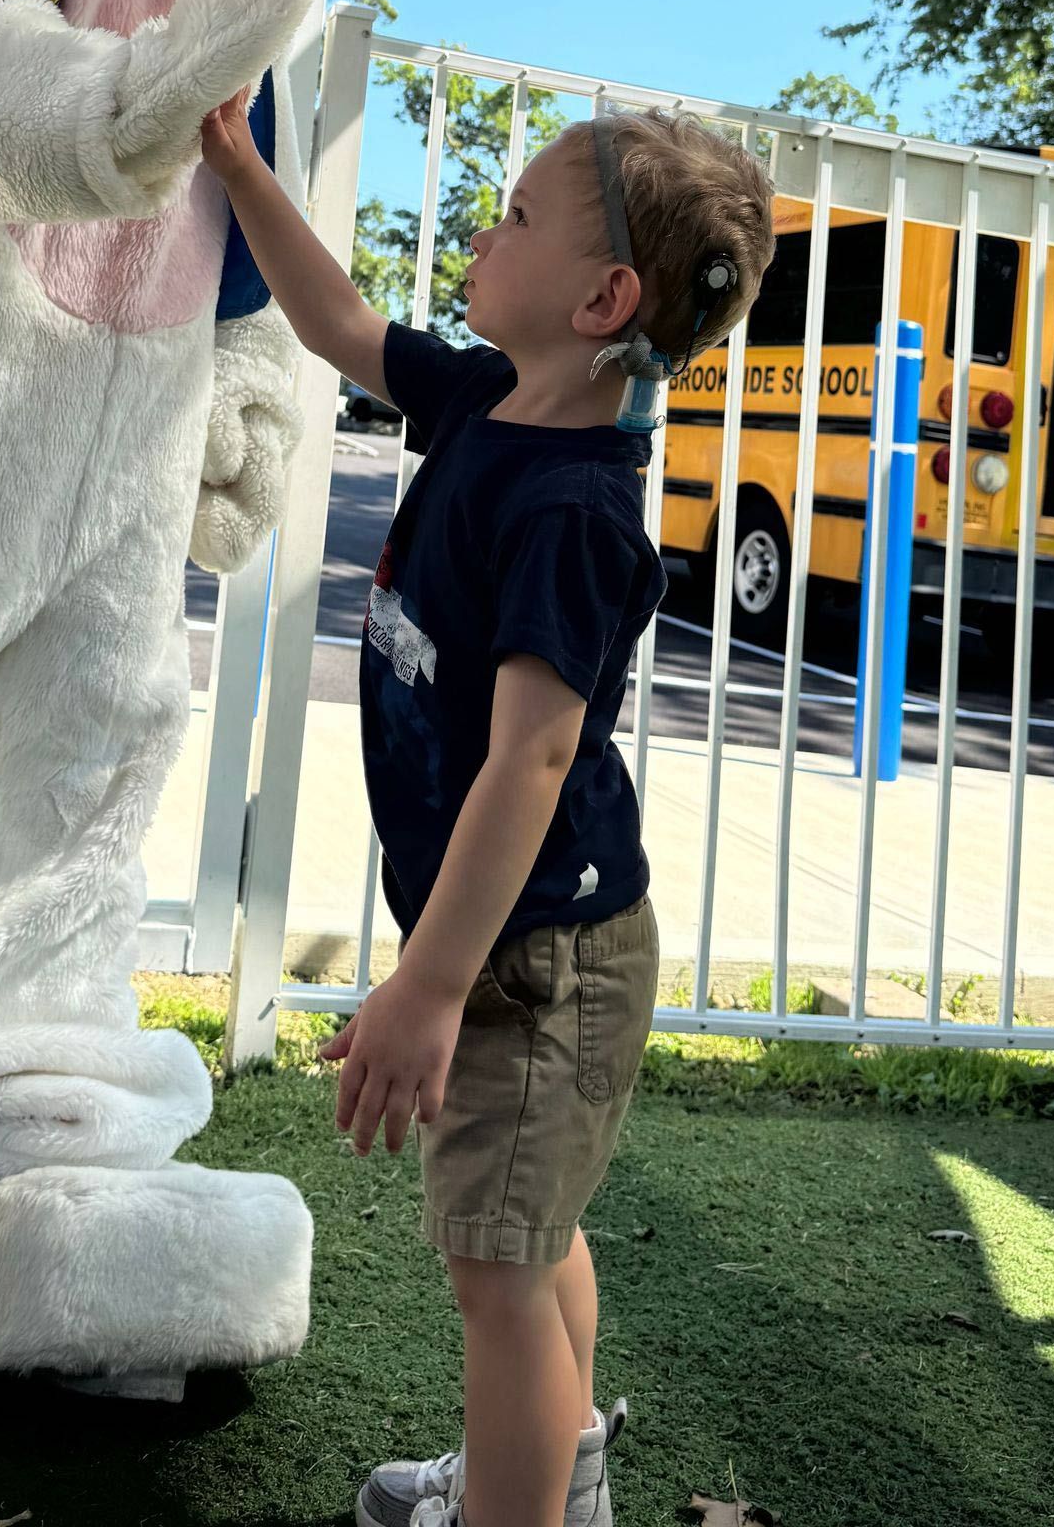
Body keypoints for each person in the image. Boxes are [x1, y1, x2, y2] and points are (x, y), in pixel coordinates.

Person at [200, 94, 774, 1527]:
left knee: (497, 1272)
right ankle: (559, 1466)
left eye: (514, 215)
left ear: (603, 296)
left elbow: (530, 761)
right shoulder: (477, 399)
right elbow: (335, 323)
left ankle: (518, 1502)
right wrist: (239, 165)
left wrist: (426, 985)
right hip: (519, 942)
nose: (479, 229)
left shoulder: (573, 511)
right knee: (533, 1231)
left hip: (540, 962)